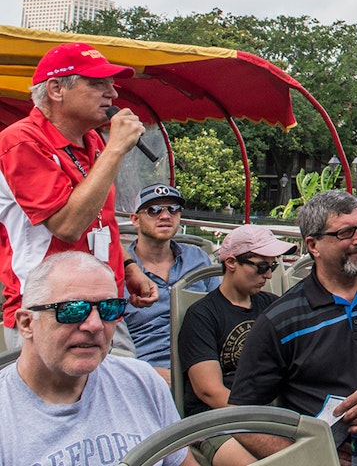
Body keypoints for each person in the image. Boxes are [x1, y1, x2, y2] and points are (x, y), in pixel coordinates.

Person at [230, 191, 357, 466]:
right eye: (346, 233)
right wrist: (309, 457)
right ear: (313, 245)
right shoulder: (280, 320)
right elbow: (242, 417)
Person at [0, 42, 157, 351]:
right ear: (57, 89)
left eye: (112, 85)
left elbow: (101, 220)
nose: (112, 94)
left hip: (106, 306)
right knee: (60, 400)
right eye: (98, 84)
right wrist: (115, 149)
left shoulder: (93, 140)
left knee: (121, 395)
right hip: (50, 312)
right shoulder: (20, 142)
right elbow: (68, 225)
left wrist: (127, 267)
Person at [0, 251, 196, 466]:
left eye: (109, 309)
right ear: (27, 323)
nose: (94, 325)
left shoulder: (142, 381)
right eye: (72, 310)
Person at [178, 224, 297, 466]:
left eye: (272, 266)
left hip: (270, 411)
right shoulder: (202, 315)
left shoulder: (272, 305)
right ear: (231, 262)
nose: (269, 275)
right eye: (262, 266)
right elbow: (209, 391)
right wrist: (260, 424)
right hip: (215, 419)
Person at [124, 183, 219, 379]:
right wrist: (147, 374)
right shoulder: (122, 270)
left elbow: (221, 310)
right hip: (143, 370)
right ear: (135, 219)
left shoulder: (198, 259)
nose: (165, 216)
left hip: (203, 364)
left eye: (173, 209)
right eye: (153, 210)